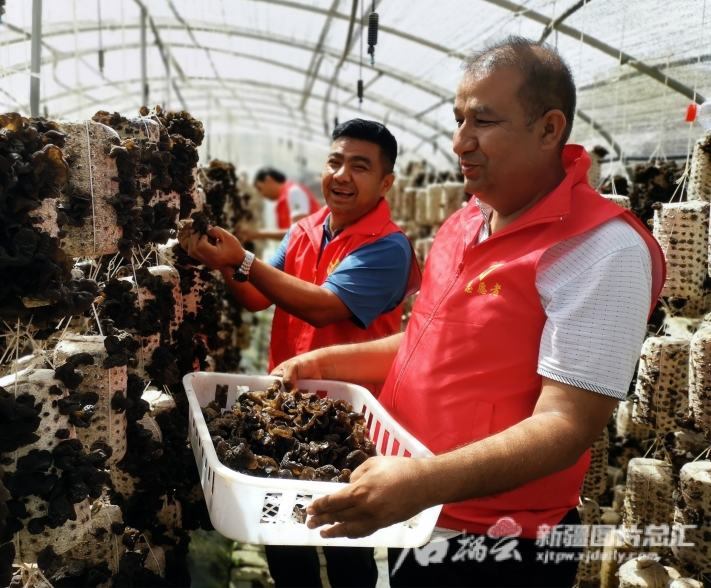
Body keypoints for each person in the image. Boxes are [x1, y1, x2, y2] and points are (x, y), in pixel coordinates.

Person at [271, 37, 666, 588]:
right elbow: (423, 345)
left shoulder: (601, 250)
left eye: (482, 121)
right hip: (422, 513)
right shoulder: (467, 221)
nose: (460, 141)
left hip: (497, 543)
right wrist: (327, 364)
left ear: (550, 129)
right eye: (458, 119)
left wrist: (422, 481)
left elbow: (567, 424)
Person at [182, 119, 422, 588]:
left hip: (346, 424)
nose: (342, 175)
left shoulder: (389, 247)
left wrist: (242, 260)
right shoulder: (305, 230)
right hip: (285, 409)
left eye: (360, 166)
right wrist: (222, 261)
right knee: (286, 542)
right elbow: (255, 297)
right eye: (335, 161)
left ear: (385, 181)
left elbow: (323, 308)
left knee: (345, 544)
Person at [239, 168, 322, 242]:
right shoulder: (286, 197)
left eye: (260, 188)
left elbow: (299, 232)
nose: (262, 194)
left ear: (269, 180)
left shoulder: (294, 192)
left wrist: (257, 234)